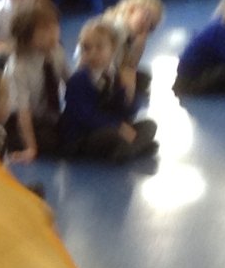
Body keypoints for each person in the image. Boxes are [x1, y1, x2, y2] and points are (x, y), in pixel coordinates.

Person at [59, 17, 157, 164]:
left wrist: (128, 93)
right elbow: (86, 116)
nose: (92, 53)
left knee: (150, 125)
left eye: (99, 47)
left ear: (113, 49)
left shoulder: (115, 75)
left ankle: (129, 149)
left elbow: (128, 112)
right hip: (84, 135)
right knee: (111, 136)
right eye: (86, 48)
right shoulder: (78, 80)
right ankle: (133, 148)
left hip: (114, 123)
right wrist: (117, 126)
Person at [2, 0, 68, 161]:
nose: (53, 33)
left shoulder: (57, 51)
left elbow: (71, 83)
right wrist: (31, 148)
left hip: (47, 115)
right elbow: (22, 111)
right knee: (51, 142)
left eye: (55, 26)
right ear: (26, 36)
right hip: (18, 121)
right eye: (45, 30)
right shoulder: (18, 66)